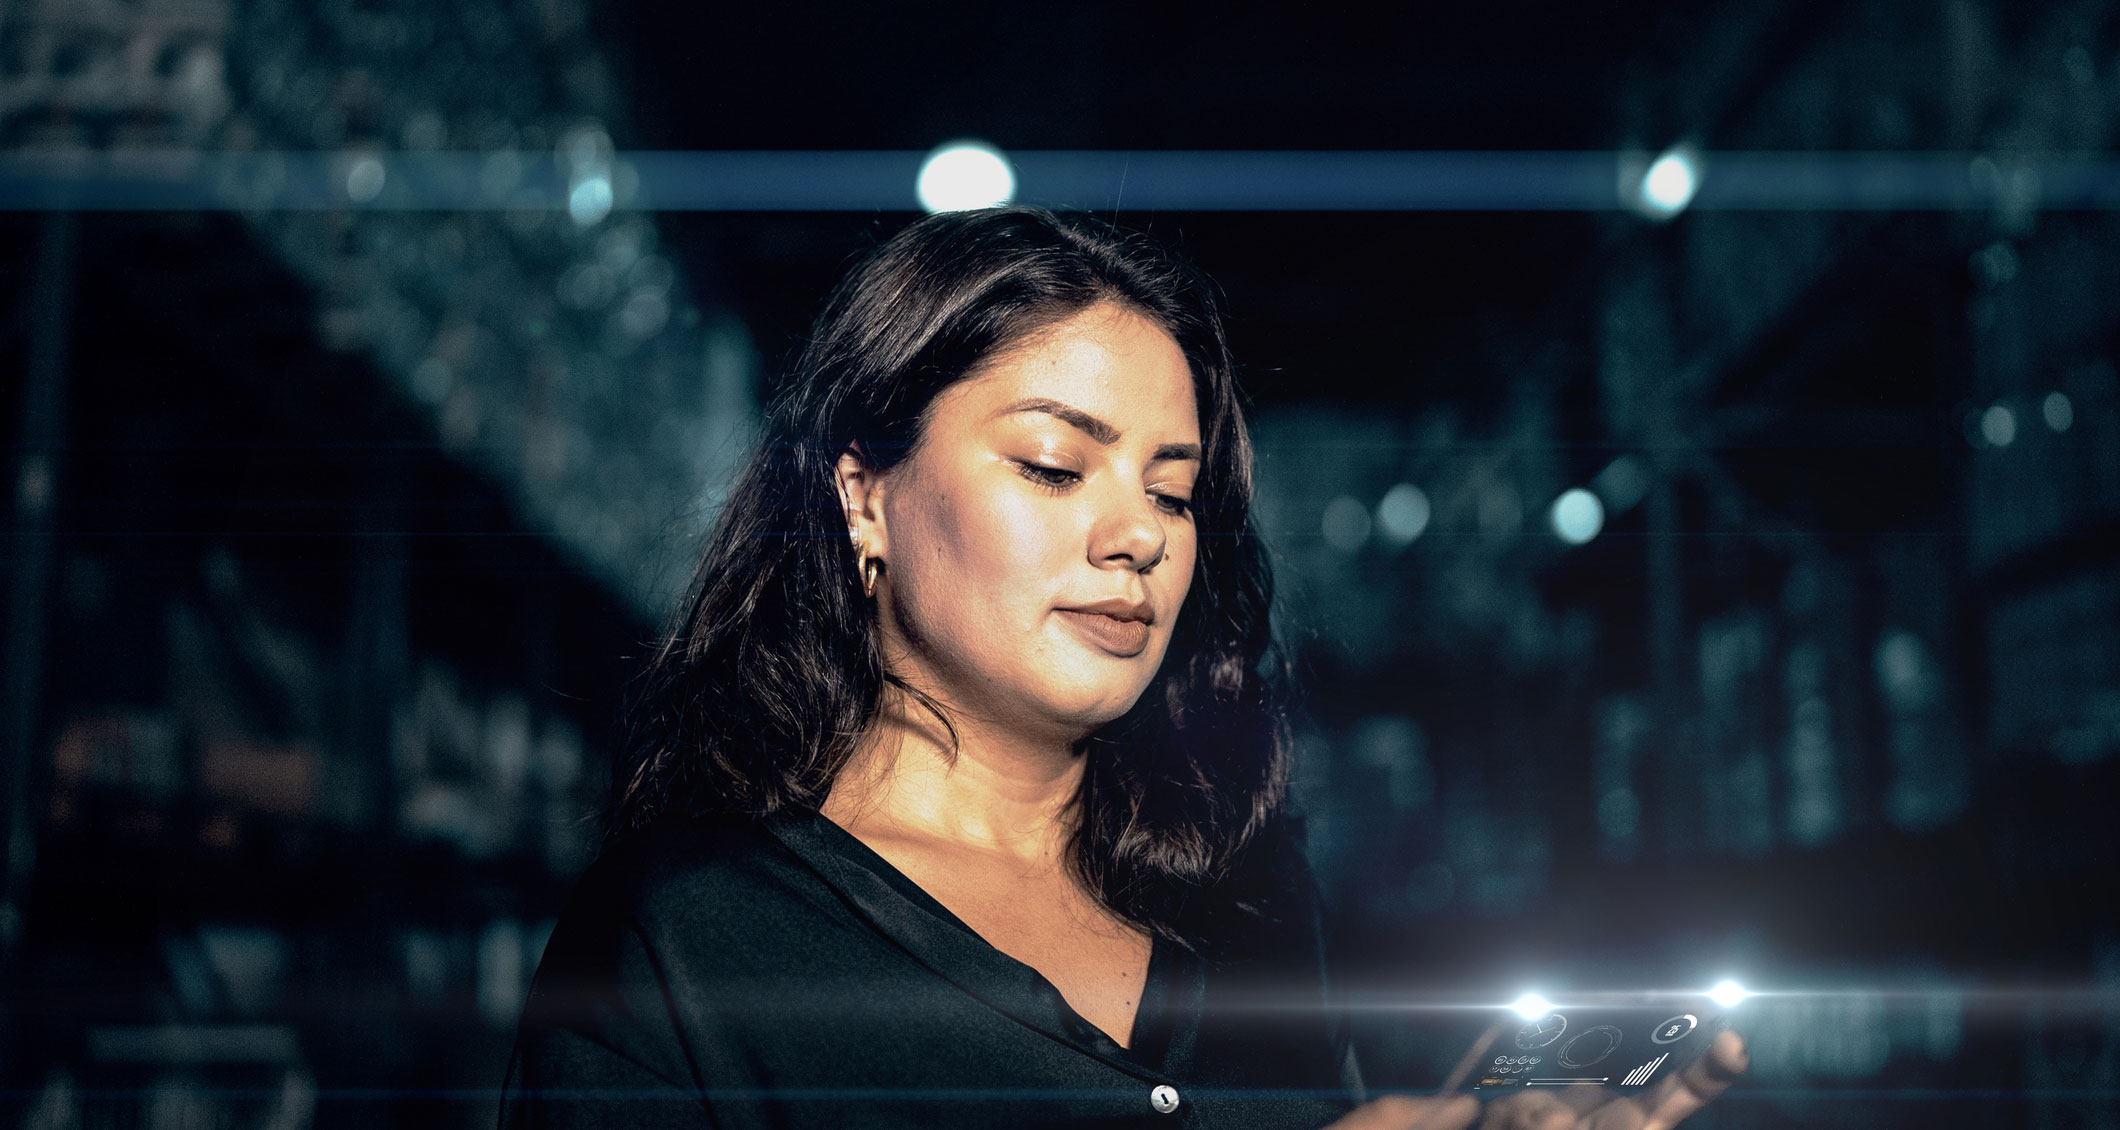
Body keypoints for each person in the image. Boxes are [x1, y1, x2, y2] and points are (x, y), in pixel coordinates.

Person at [498, 207, 1746, 1129]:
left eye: (1173, 488)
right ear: (862, 494)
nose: (1138, 533)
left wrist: (1459, 1120)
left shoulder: (1246, 892)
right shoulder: (682, 941)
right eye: (1052, 465)